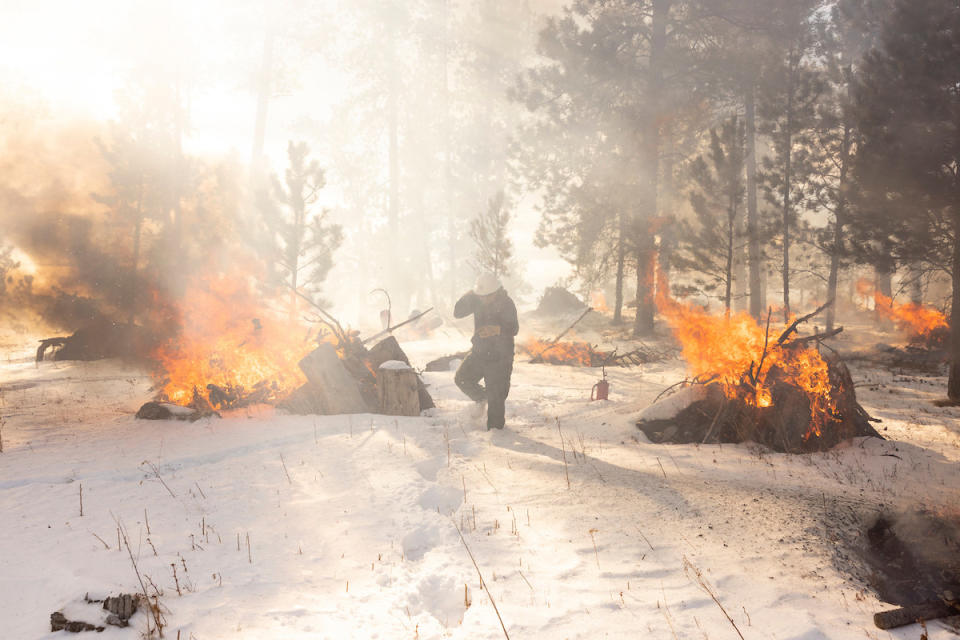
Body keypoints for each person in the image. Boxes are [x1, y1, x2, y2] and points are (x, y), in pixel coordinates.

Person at [454, 273, 519, 430]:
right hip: (479, 352)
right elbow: (458, 312)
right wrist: (472, 292)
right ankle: (482, 398)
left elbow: (514, 328)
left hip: (500, 358)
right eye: (481, 295)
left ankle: (497, 439)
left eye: (487, 296)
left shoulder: (507, 303)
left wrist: (496, 329)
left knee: (496, 400)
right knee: (462, 378)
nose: (483, 299)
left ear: (496, 291)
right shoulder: (477, 299)